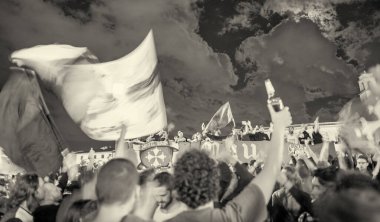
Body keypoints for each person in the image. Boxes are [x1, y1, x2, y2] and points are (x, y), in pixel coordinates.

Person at [165, 103, 292, 222]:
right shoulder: (230, 216)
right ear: (214, 185)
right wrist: (279, 126)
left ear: (176, 189)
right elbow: (269, 174)